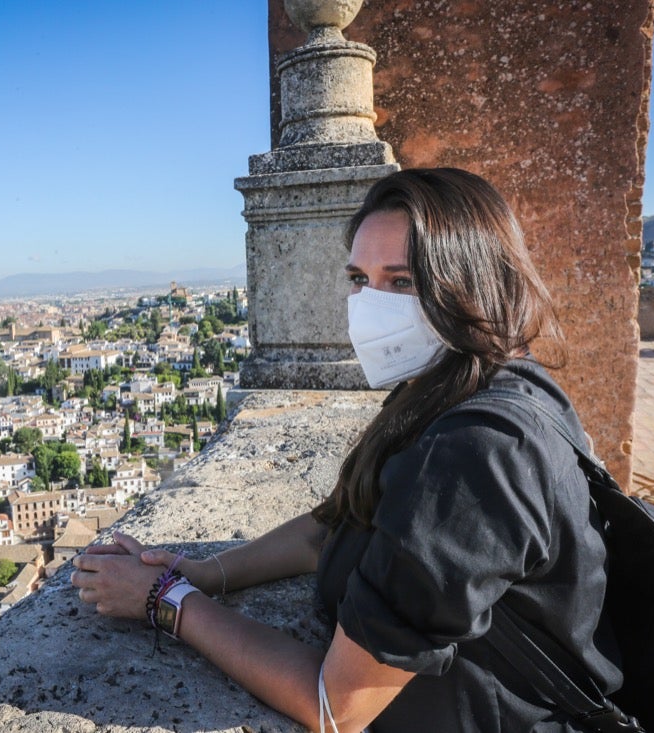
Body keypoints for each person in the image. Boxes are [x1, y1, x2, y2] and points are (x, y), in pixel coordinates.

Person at [71, 168, 621, 732]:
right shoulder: (469, 383)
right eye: (360, 278)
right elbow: (339, 526)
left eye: (403, 282)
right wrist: (208, 572)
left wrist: (167, 599)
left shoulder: (474, 454)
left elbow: (336, 707)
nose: (371, 304)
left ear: (471, 285)